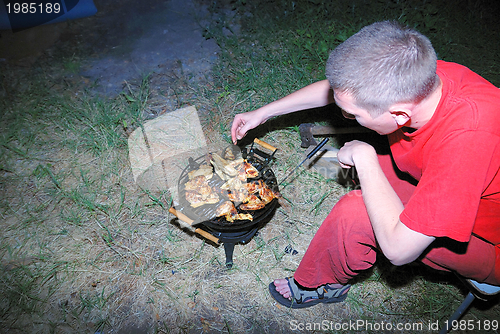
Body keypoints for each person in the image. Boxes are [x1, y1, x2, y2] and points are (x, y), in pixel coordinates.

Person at [230, 20, 500, 308]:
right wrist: (264, 113)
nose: (345, 117)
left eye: (353, 115)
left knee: (355, 212)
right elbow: (343, 90)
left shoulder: (467, 141)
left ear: (399, 115)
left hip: (489, 240)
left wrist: (365, 157)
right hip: (452, 184)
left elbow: (398, 250)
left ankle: (322, 284)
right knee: (372, 172)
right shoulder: (420, 76)